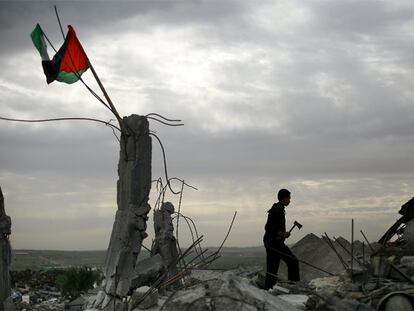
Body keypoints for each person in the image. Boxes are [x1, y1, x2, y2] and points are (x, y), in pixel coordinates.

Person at [263, 188, 299, 290]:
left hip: (274, 243)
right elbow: (268, 227)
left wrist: (282, 235)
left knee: (272, 269)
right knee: (292, 261)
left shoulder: (279, 209)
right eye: (289, 198)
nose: (290, 201)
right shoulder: (277, 209)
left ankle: (268, 291)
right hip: (273, 244)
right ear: (285, 198)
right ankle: (293, 287)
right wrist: (283, 234)